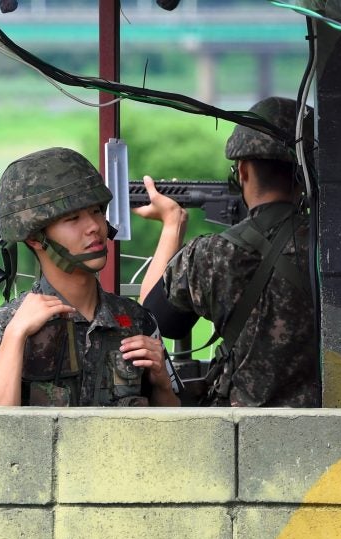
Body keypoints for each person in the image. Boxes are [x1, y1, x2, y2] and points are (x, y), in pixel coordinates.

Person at [134, 96, 320, 408]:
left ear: (243, 171)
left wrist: (172, 224)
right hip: (334, 424)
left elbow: (154, 320)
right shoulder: (333, 250)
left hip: (242, 430)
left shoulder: (209, 256)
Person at [0, 147, 181, 407]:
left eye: (97, 212)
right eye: (73, 218)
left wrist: (161, 384)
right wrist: (15, 336)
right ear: (34, 237)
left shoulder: (137, 320)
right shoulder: (2, 329)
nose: (94, 227)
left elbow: (172, 428)